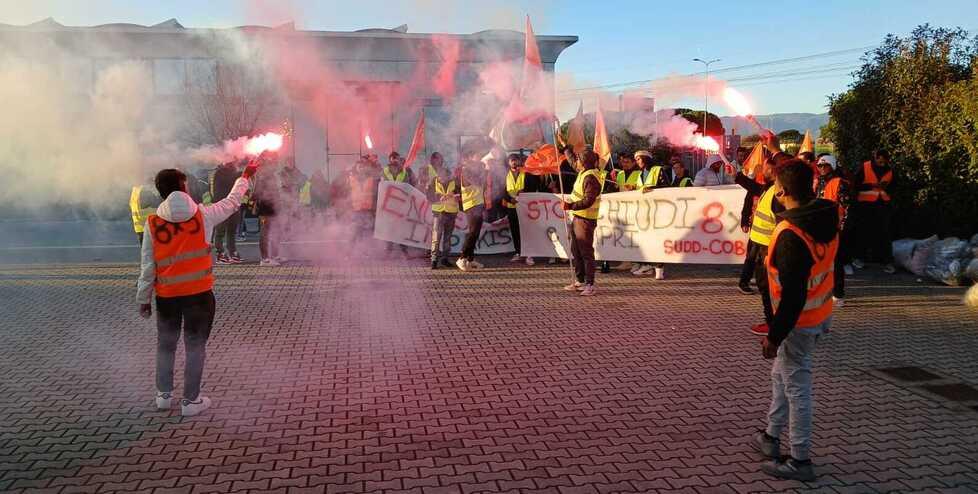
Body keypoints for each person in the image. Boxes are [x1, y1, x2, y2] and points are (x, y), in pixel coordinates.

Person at [137, 162, 258, 417]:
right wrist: (245, 176)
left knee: (166, 344)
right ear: (183, 187)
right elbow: (233, 201)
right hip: (199, 296)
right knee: (195, 346)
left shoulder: (153, 223)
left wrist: (144, 299)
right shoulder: (204, 215)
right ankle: (190, 401)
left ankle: (163, 395)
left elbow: (148, 265)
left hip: (167, 297)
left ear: (161, 192)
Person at [752, 158, 838, 482]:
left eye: (775, 186)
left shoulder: (791, 234)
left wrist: (774, 336)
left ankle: (800, 460)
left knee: (797, 386)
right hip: (819, 314)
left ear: (783, 190)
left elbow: (793, 296)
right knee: (782, 378)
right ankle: (771, 438)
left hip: (799, 322)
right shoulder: (827, 217)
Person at [561, 149, 604, 296]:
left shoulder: (590, 178)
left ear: (584, 162)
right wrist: (565, 148)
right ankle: (580, 280)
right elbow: (572, 162)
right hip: (578, 217)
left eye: (578, 159)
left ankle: (590, 284)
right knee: (576, 250)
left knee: (586, 253)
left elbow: (588, 200)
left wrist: (570, 206)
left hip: (585, 220)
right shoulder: (584, 172)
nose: (576, 162)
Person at [814, 155, 851, 306]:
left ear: (832, 166)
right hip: (821, 227)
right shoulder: (819, 183)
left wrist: (842, 226)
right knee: (821, 260)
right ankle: (823, 290)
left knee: (836, 262)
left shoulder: (840, 183)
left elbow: (847, 207)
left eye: (825, 166)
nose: (822, 168)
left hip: (835, 228)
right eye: (820, 166)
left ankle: (838, 293)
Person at [852, 149, 896, 273]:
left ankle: (887, 262)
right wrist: (871, 186)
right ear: (875, 158)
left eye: (884, 161)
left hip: (882, 205)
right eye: (879, 161)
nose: (881, 164)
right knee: (863, 232)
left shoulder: (889, 170)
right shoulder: (865, 167)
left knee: (884, 233)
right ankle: (859, 258)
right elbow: (855, 185)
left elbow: (893, 187)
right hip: (865, 205)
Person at [632, 150, 671, 279]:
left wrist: (653, 189)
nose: (637, 162)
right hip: (645, 213)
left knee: (659, 240)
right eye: (636, 159)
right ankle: (648, 266)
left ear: (646, 159)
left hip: (658, 211)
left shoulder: (658, 170)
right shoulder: (639, 175)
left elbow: (667, 188)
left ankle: (660, 268)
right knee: (647, 240)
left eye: (639, 159)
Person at [503, 153, 539, 266]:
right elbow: (501, 191)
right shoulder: (505, 175)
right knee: (515, 231)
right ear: (508, 163)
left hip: (524, 207)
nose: (514, 162)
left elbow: (534, 187)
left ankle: (529, 254)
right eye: (512, 160)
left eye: (516, 160)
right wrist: (509, 199)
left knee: (527, 231)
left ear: (519, 161)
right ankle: (518, 252)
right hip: (511, 207)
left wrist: (524, 190)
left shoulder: (527, 173)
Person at [457, 156, 487, 271]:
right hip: (471, 206)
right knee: (472, 232)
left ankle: (470, 259)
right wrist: (483, 172)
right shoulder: (465, 171)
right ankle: (462, 257)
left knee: (475, 233)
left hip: (478, 205)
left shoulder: (476, 171)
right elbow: (477, 182)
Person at [252, 155, 283, 266]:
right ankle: (264, 259)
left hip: (272, 205)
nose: (276, 165)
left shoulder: (271, 175)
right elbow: (256, 192)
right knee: (265, 231)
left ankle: (274, 255)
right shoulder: (262, 175)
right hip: (265, 206)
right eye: (274, 162)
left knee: (275, 230)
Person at [210, 161, 243, 264]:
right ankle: (220, 254)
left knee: (231, 232)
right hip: (221, 206)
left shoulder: (233, 173)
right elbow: (229, 180)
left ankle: (232, 253)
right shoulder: (220, 173)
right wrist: (243, 173)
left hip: (233, 205)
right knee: (220, 232)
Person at [427, 165, 459, 269]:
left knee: (447, 238)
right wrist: (439, 197)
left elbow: (460, 192)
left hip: (451, 212)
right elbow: (429, 195)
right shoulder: (433, 182)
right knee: (436, 237)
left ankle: (445, 259)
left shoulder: (454, 182)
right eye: (441, 177)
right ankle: (434, 259)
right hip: (439, 213)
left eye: (445, 177)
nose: (443, 179)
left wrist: (455, 195)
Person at [348, 158, 379, 251]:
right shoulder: (351, 178)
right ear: (356, 168)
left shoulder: (371, 179)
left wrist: (375, 208)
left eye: (362, 167)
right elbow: (346, 193)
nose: (361, 168)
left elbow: (376, 193)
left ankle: (367, 250)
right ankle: (350, 251)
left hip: (368, 209)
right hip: (356, 209)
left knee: (369, 231)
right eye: (359, 167)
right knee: (356, 231)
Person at [129, 178, 161, 247]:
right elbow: (154, 204)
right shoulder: (145, 191)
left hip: (140, 227)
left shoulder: (135, 191)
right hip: (150, 226)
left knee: (146, 251)